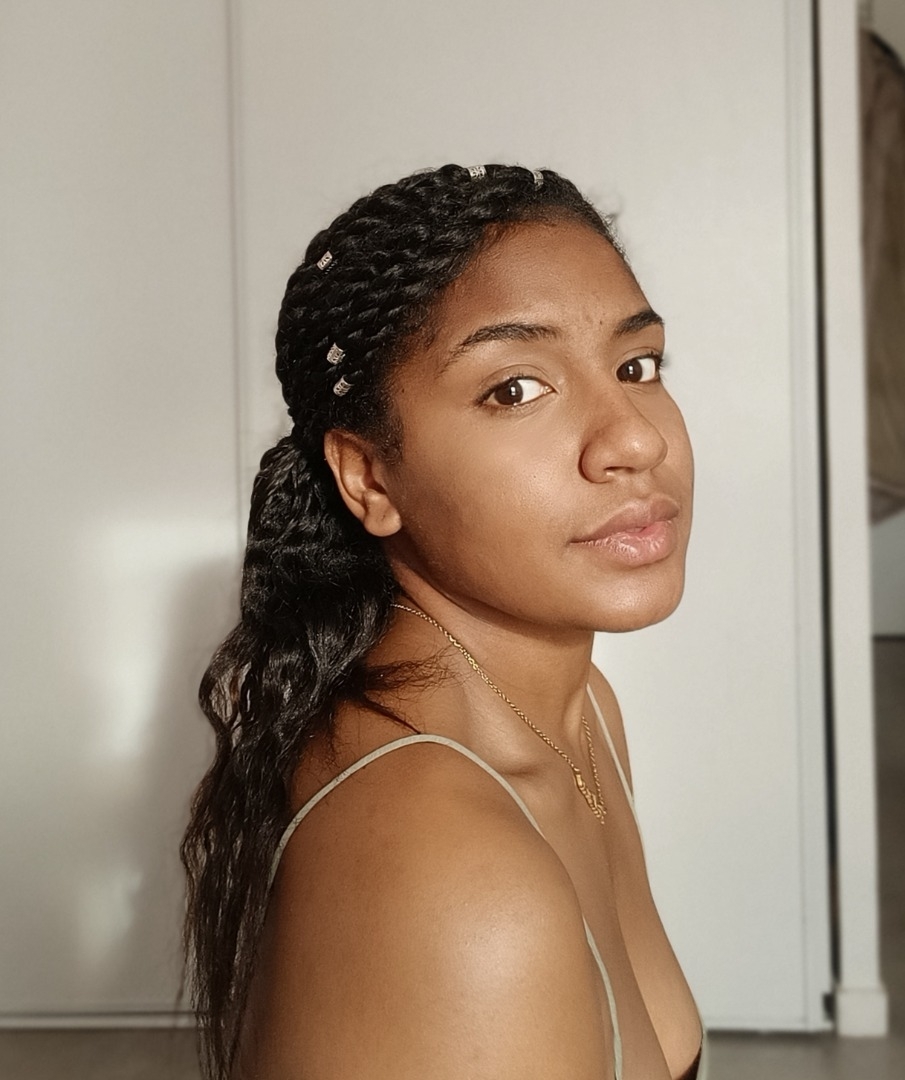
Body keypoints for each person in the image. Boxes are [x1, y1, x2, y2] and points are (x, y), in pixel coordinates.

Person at [181, 163, 704, 1080]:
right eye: (515, 389)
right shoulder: (444, 860)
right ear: (368, 477)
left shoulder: (581, 712)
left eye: (636, 366)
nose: (635, 438)